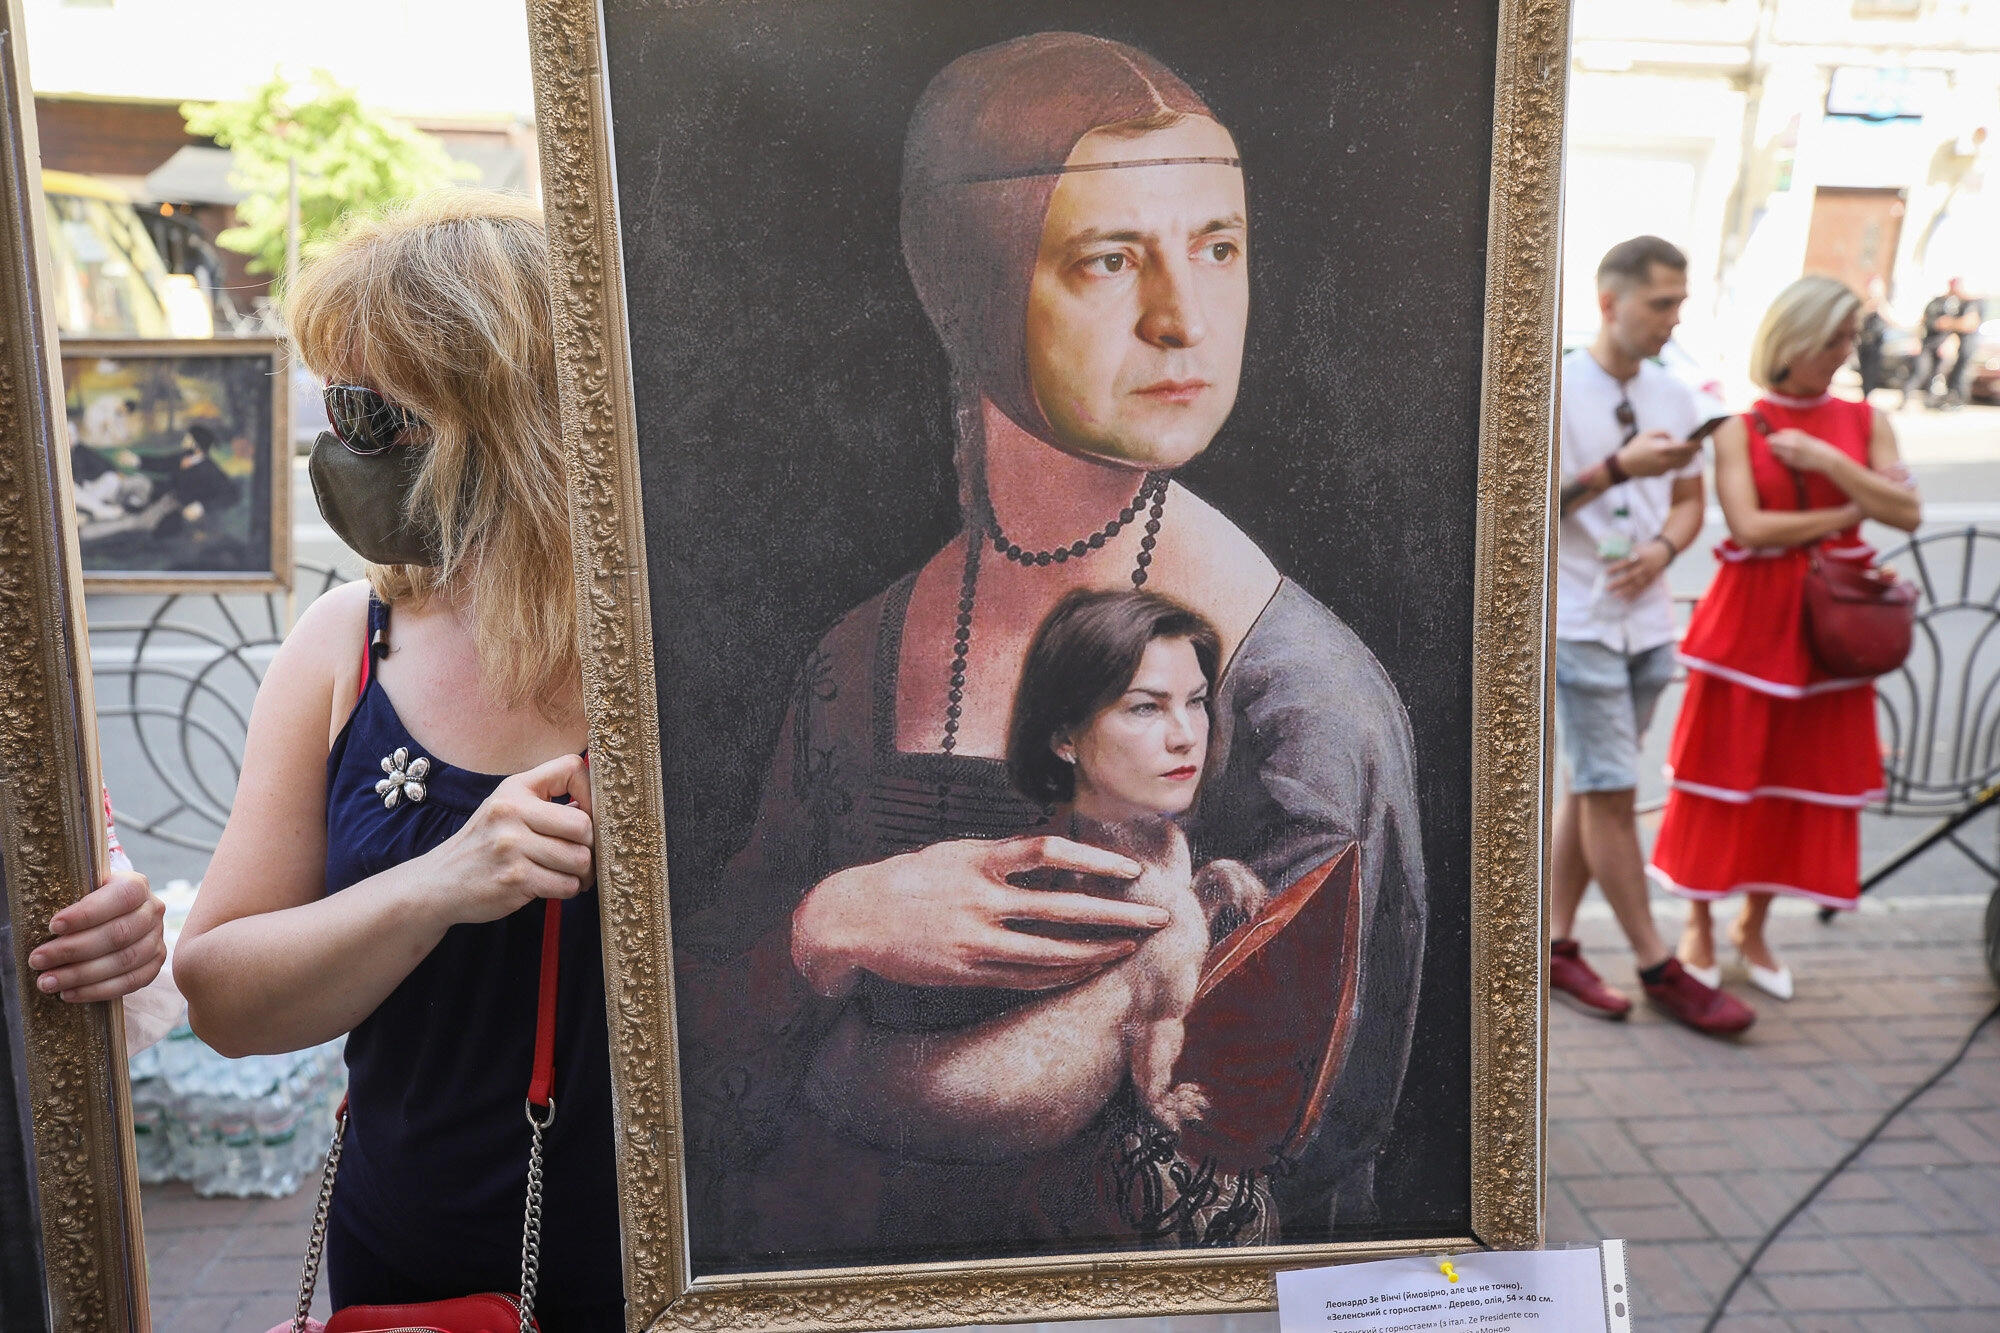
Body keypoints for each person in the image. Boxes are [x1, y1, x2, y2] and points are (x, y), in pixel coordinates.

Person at [675, 31, 1426, 1270]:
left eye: (1218, 248)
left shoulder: (1301, 703)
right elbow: (704, 1041)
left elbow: (1273, 1139)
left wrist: (870, 1055)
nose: (1184, 319)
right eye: (1110, 258)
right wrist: (832, 922)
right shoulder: (858, 655)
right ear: (971, 280)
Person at [171, 192, 622, 1331]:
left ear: (508, 415)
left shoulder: (684, 645)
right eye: (337, 405)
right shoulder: (348, 644)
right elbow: (221, 992)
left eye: (370, 412)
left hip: (688, 1267)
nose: (340, 448)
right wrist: (437, 885)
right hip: (421, 1277)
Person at [1650, 275, 1922, 999]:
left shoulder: (1865, 421)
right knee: (1723, 778)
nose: (1843, 350)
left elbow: (1907, 513)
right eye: (1830, 337)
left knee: (1803, 783)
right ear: (1792, 339)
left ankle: (1754, 924)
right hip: (1748, 627)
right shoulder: (1740, 424)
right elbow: (1749, 527)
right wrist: (1845, 513)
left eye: (1847, 336)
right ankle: (1700, 922)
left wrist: (1833, 466)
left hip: (1829, 630)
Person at [1548, 236, 1753, 1037]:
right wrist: (1618, 470)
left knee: (1594, 788)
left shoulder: (1677, 395)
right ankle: (1657, 963)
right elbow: (1527, 509)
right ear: (1610, 302)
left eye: (1680, 302)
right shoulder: (1553, 389)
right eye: (1661, 302)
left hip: (1646, 623)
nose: (1674, 318)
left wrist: (1665, 549)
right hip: (1579, 619)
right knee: (1610, 790)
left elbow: (1690, 504)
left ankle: (1557, 945)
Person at [1912, 276, 1985, 409]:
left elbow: (1969, 323)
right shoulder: (1958, 302)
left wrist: (1948, 323)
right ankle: (1949, 398)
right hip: (1957, 343)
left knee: (1960, 372)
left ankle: (1957, 400)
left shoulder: (1973, 302)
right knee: (1952, 372)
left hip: (1968, 344)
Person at [1856, 275, 1889, 403]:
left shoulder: (1882, 304)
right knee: (1864, 371)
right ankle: (1865, 394)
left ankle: (1868, 395)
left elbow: (1890, 319)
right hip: (1864, 342)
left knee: (1872, 371)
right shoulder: (1864, 303)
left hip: (1876, 343)